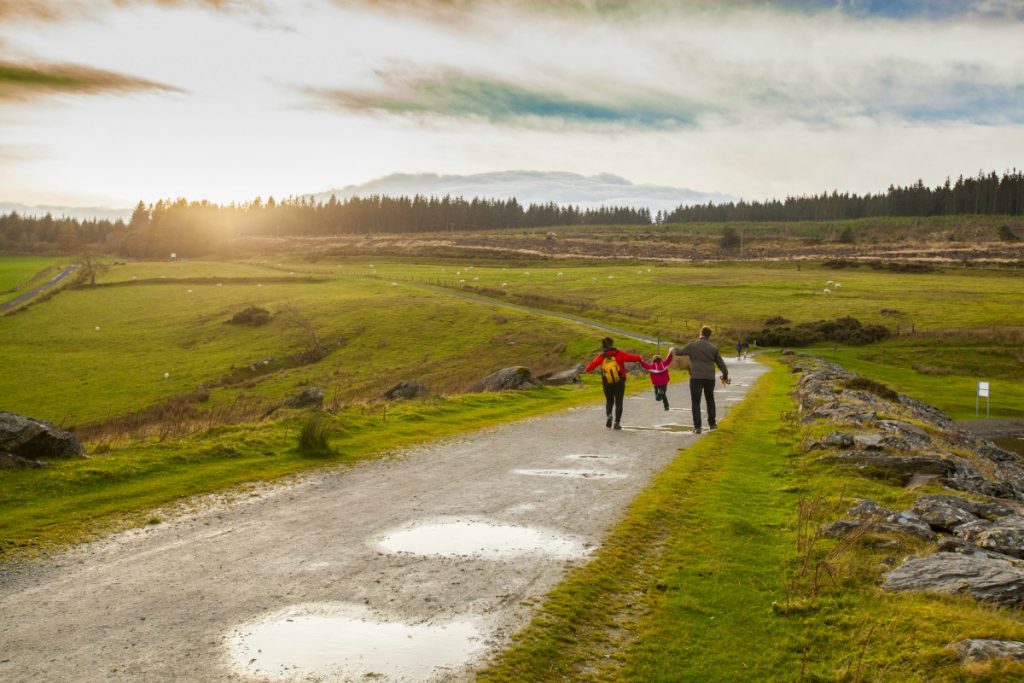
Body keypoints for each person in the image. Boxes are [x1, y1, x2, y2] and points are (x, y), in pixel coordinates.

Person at [677, 326, 729, 433]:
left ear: (700, 333)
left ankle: (697, 427)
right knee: (710, 400)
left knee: (696, 402)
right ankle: (712, 424)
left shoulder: (692, 346)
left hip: (696, 377)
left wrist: (672, 349)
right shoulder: (713, 348)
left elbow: (680, 352)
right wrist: (725, 375)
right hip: (709, 378)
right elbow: (721, 364)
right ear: (709, 335)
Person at [584, 337, 643, 430]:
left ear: (603, 345)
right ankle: (617, 423)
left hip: (607, 382)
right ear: (612, 344)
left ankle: (609, 416)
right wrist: (639, 358)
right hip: (619, 381)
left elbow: (591, 366)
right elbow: (631, 357)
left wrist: (586, 369)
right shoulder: (619, 353)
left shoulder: (601, 356)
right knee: (619, 402)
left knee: (609, 401)